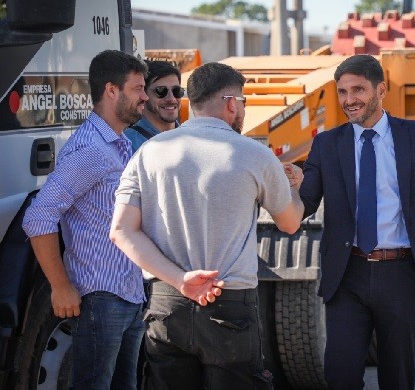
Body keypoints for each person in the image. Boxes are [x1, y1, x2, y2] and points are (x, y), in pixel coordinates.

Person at [110, 61, 306, 389]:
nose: (241, 109)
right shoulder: (254, 155)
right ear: (230, 103)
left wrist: (180, 280)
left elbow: (121, 230)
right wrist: (295, 188)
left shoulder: (148, 152)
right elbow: (289, 223)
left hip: (166, 303)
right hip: (229, 305)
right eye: (242, 102)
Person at [297, 54, 415, 389]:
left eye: (357, 90)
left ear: (381, 90)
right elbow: (303, 205)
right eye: (342, 92)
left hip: (404, 274)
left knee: (397, 378)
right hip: (347, 274)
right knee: (340, 376)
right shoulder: (327, 144)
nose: (349, 100)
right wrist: (282, 183)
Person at [22, 50, 148, 388]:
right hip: (100, 302)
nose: (145, 97)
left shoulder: (118, 143)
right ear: (111, 90)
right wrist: (61, 286)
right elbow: (39, 217)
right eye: (137, 89)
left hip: (129, 295)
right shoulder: (91, 150)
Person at [125, 60, 183, 152]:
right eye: (160, 91)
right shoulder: (127, 144)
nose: (171, 99)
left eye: (176, 91)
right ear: (143, 95)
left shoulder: (191, 139)